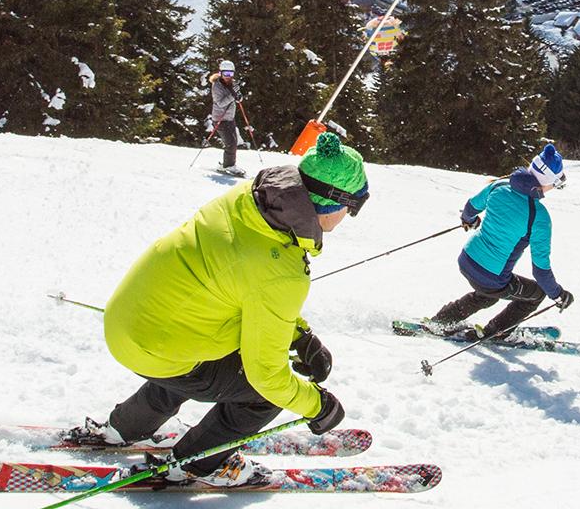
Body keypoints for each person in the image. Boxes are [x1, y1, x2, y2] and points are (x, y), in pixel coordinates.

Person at [68, 131, 370, 488]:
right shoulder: (281, 270)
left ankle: (126, 428)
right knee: (262, 393)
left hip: (132, 321)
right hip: (161, 345)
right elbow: (268, 377)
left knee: (207, 355)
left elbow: (243, 284)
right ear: (331, 203)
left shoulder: (252, 199)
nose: (348, 216)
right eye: (353, 207)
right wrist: (316, 405)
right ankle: (198, 464)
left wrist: (300, 336)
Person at [428, 143, 573, 341]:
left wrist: (470, 221)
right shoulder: (539, 216)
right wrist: (558, 295)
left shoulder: (498, 186)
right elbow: (540, 270)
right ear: (547, 182)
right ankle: (497, 332)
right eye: (556, 183)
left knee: (487, 295)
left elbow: (470, 208)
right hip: (492, 277)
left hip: (467, 259)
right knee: (536, 294)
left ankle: (442, 320)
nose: (553, 189)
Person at [209, 59, 244, 176]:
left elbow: (237, 97)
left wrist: (239, 96)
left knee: (233, 142)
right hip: (220, 119)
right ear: (221, 73)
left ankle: (226, 164)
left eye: (231, 74)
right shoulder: (216, 86)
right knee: (231, 143)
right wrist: (233, 95)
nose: (228, 77)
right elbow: (220, 103)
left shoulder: (233, 84)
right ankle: (229, 166)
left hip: (229, 118)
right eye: (226, 74)